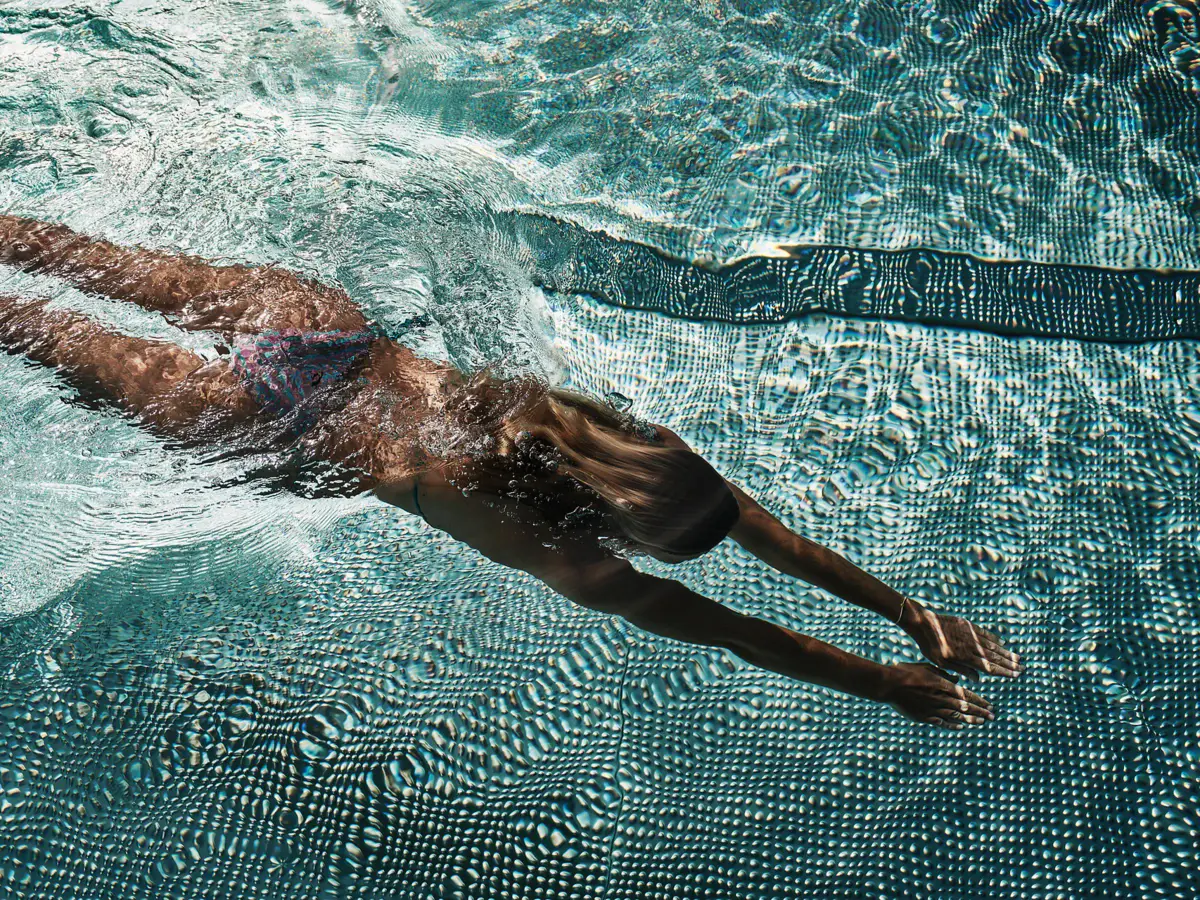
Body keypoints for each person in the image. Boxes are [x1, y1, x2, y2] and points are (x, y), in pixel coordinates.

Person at [0, 213, 1021, 730]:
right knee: (39, 333)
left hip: (320, 329)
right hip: (284, 431)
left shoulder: (613, 440)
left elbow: (762, 534)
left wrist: (908, 615)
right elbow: (736, 626)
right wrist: (878, 679)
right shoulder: (558, 550)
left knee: (82, 260)